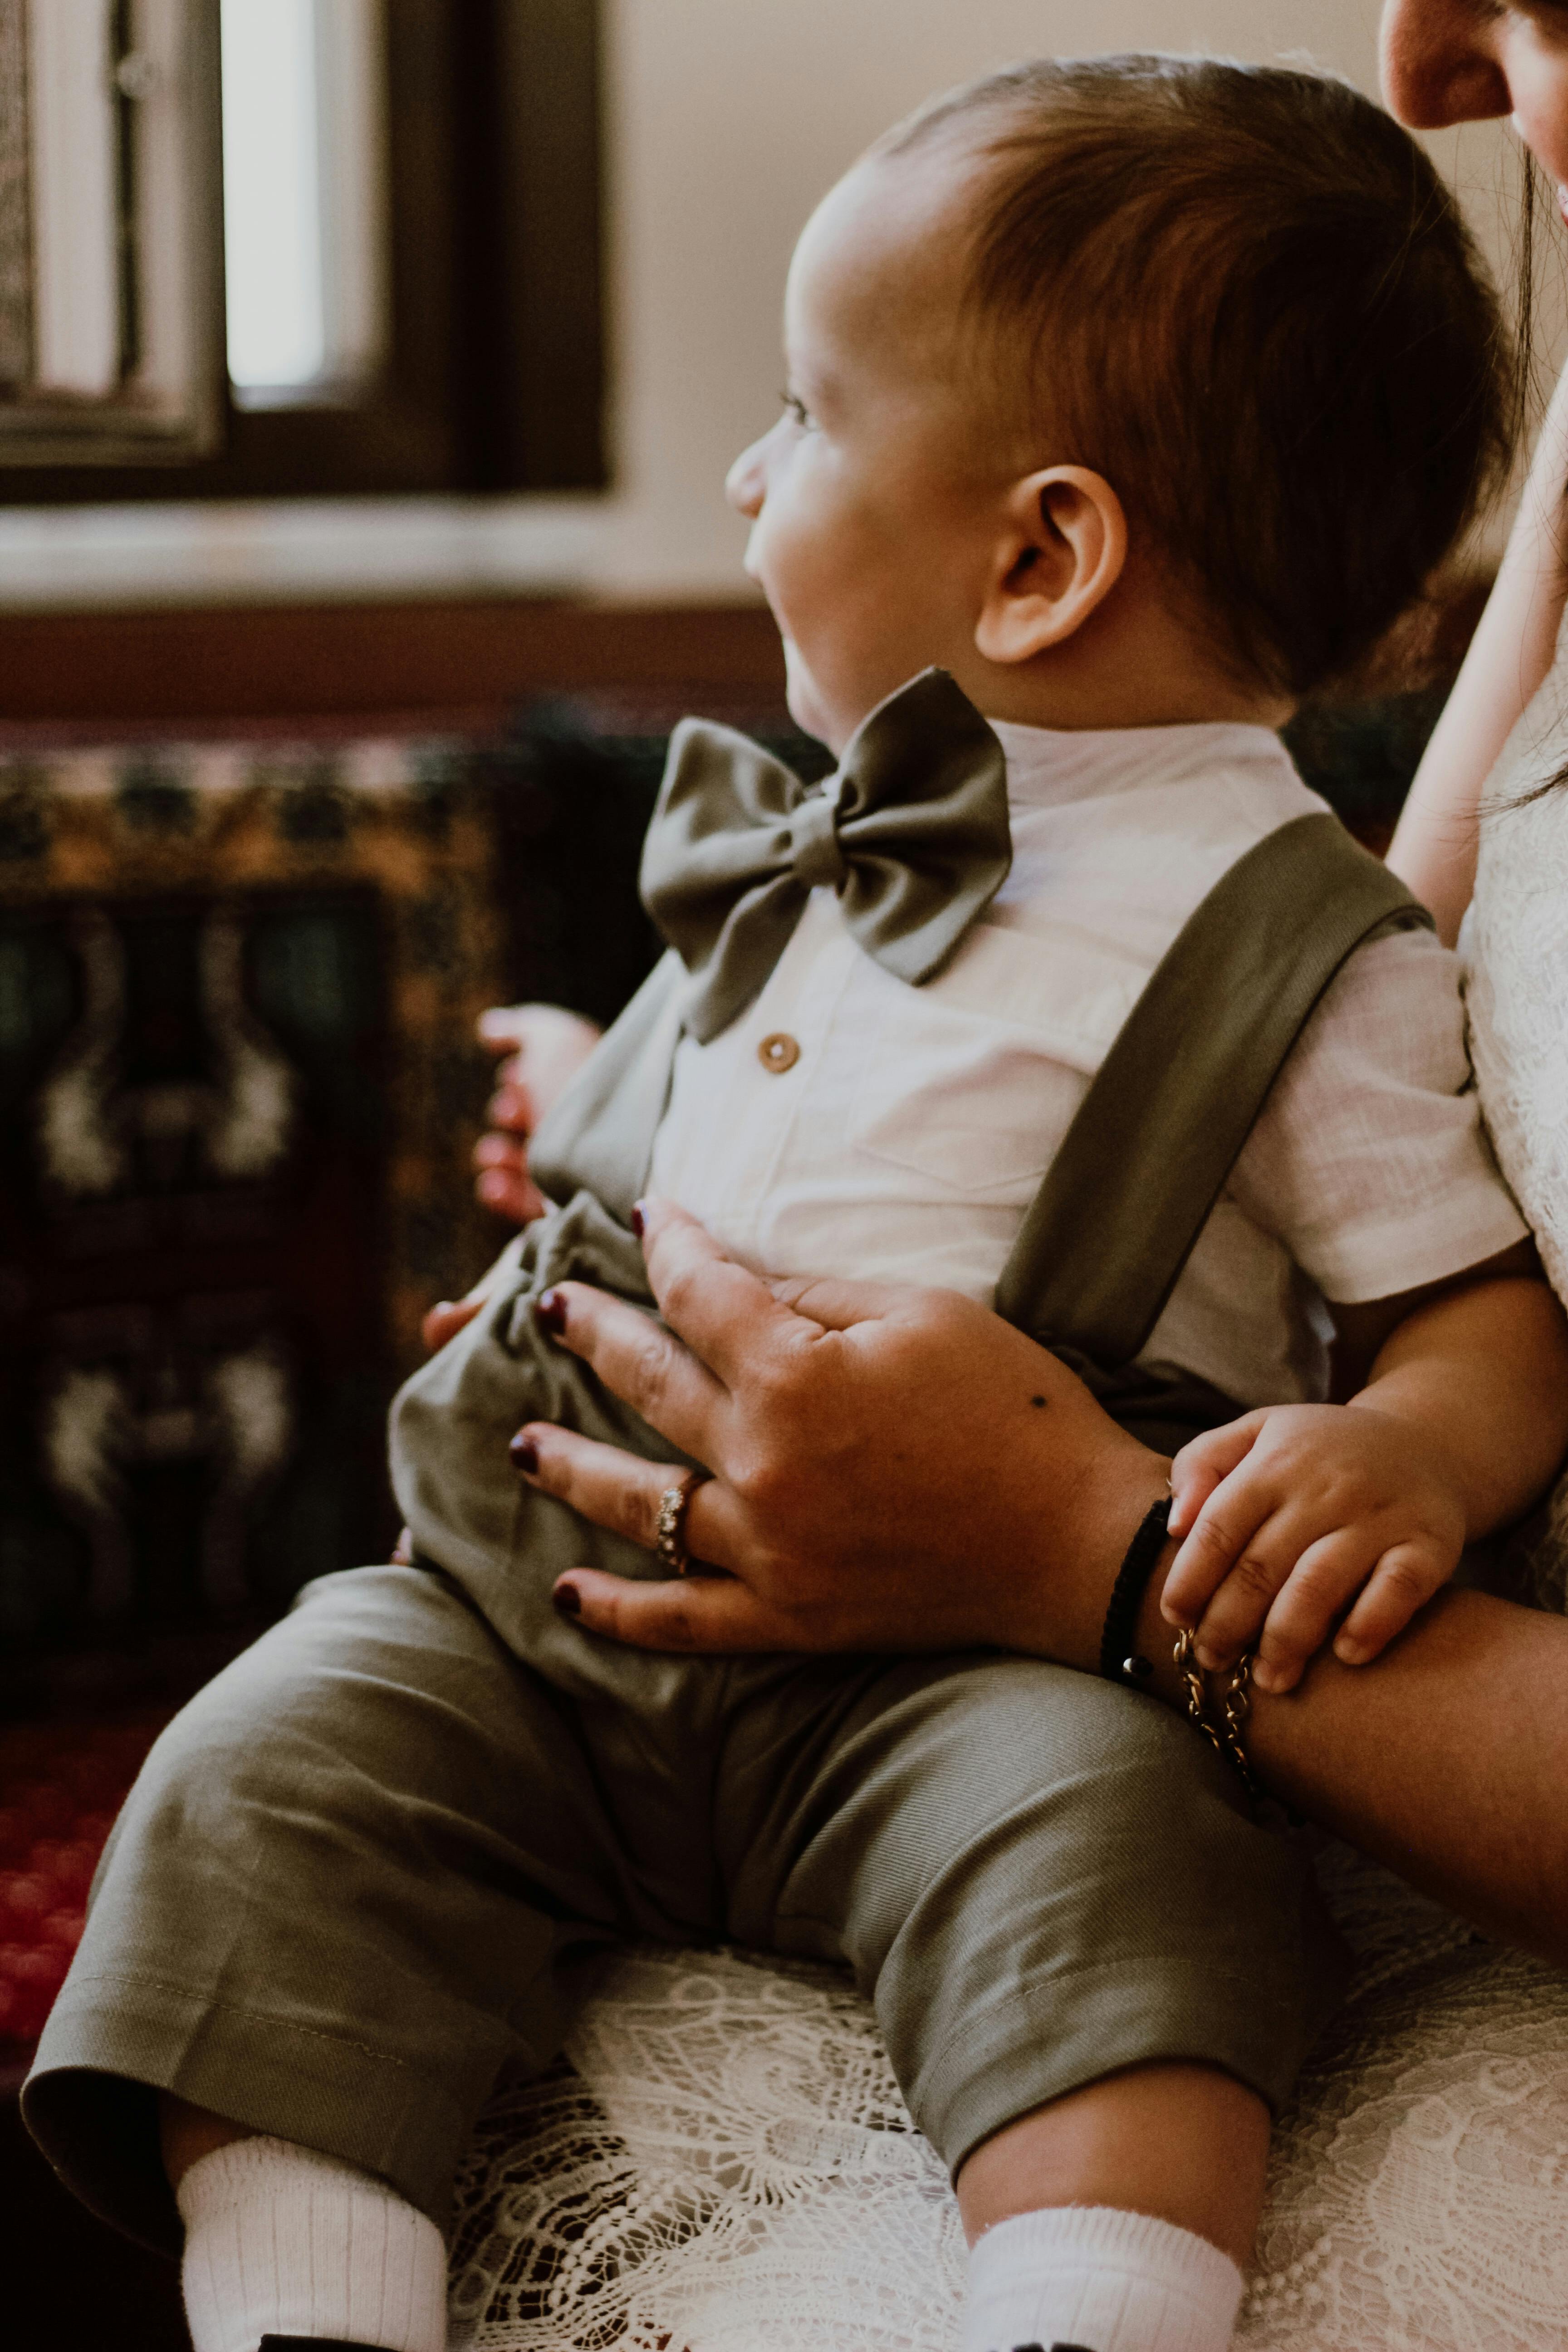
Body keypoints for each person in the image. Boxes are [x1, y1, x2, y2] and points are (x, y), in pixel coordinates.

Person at [22, 49, 1568, 2352]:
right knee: (266, 1760)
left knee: (1134, 1880)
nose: (749, 473)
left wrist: (1404, 1449)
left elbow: (1475, 1300)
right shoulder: (816, 819)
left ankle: (1082, 2312)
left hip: (975, 1669)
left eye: (802, 413)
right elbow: (771, 1098)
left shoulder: (1296, 940)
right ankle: (306, 2313)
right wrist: (585, 1111)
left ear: (1042, 554)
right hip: (543, 1610)